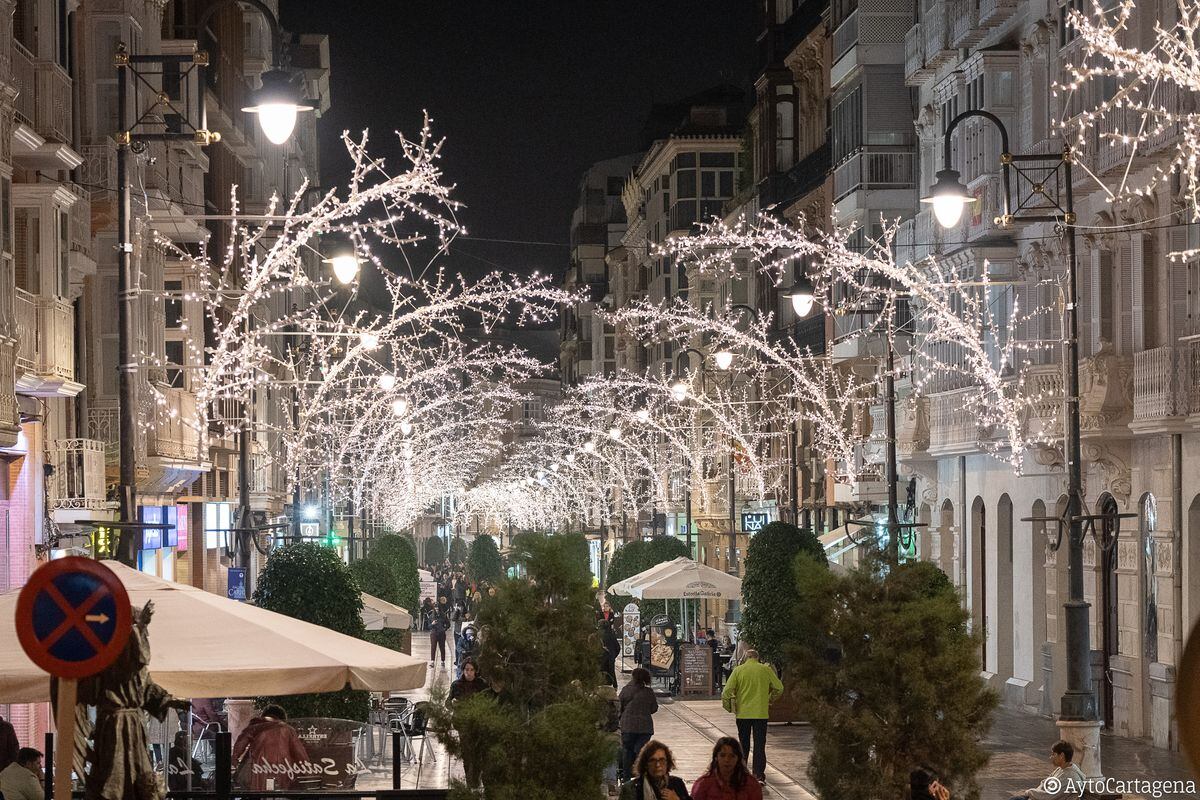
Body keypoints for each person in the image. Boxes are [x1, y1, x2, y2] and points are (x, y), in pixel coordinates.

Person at [721, 648, 782, 783]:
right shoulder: (765, 670)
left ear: (745, 658)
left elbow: (726, 692)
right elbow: (779, 688)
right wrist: (770, 699)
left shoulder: (738, 670)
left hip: (743, 714)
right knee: (760, 744)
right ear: (757, 658)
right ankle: (758, 775)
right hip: (761, 713)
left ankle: (741, 773)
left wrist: (729, 707)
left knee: (743, 744)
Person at [232, 704, 310, 792]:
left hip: (258, 768)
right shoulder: (288, 730)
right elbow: (300, 753)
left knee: (258, 792)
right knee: (278, 793)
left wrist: (234, 758)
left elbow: (242, 741)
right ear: (282, 717)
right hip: (282, 769)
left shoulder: (255, 725)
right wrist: (308, 771)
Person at [617, 667, 659, 781]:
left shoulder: (626, 690)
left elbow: (619, 706)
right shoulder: (649, 692)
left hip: (627, 726)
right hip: (644, 728)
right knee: (641, 751)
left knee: (627, 751)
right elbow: (654, 708)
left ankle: (626, 778)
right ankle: (640, 777)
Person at [1009, 741, 1086, 800]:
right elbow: (1045, 783)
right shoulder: (1061, 769)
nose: (1051, 757)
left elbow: (1048, 796)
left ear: (1061, 756)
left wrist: (1029, 792)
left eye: (1053, 754)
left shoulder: (1070, 777)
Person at [691, 737, 762, 800]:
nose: (727, 760)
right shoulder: (703, 784)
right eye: (722, 755)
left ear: (738, 759)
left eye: (732, 756)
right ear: (716, 757)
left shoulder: (751, 784)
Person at [619, 740, 691, 800]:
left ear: (667, 762)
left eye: (662, 760)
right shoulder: (631, 789)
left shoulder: (677, 784)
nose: (658, 765)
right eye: (653, 760)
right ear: (646, 764)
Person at [600, 621, 620, 687]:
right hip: (611, 657)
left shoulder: (599, 636)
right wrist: (613, 655)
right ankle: (615, 686)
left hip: (601, 658)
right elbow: (618, 647)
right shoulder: (612, 635)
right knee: (612, 671)